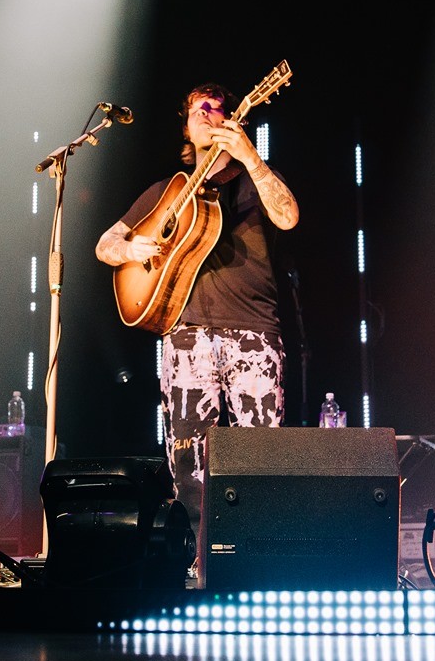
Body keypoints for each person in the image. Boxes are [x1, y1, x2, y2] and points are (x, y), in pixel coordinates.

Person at [95, 83, 300, 572]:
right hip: (186, 337)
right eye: (196, 110)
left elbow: (289, 216)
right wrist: (132, 249)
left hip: (253, 333)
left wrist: (249, 157)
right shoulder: (166, 192)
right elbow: (106, 244)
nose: (206, 114)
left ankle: (258, 565)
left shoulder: (253, 177)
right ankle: (192, 567)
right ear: (186, 129)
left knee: (259, 458)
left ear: (232, 119)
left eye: (216, 108)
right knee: (187, 466)